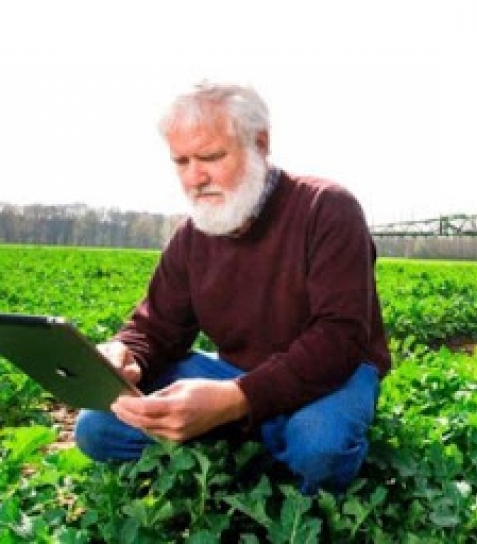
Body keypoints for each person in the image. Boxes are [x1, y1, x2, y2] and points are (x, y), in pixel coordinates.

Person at [73, 81, 391, 495]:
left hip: (335, 373)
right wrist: (126, 353)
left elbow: (340, 340)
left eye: (211, 157)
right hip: (233, 374)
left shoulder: (326, 208)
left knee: (320, 447)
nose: (195, 177)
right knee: (98, 427)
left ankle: (242, 439)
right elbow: (157, 327)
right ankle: (262, 440)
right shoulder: (191, 235)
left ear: (260, 143)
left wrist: (236, 400)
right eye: (181, 161)